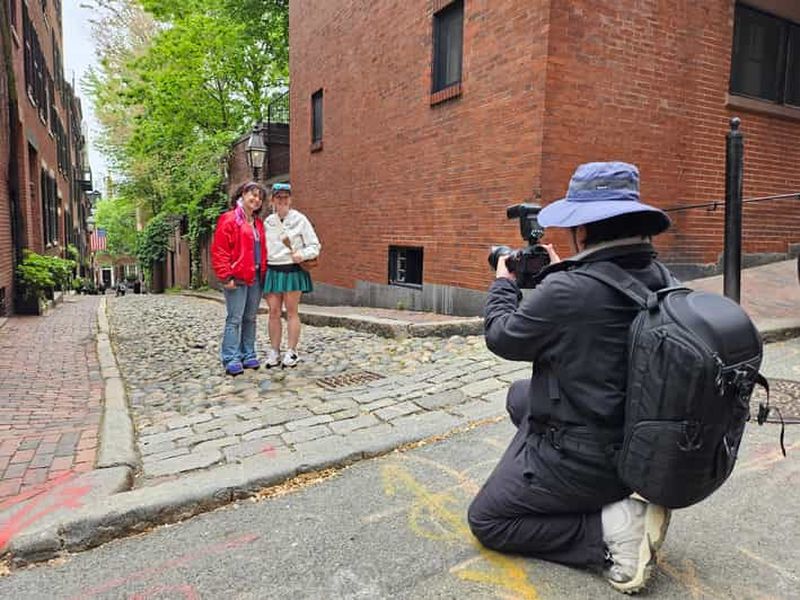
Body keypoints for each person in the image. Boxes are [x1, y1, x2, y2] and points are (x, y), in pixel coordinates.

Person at [468, 162, 675, 594]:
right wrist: (565, 274)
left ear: (584, 229)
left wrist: (503, 284)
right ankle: (536, 473)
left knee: (488, 519)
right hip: (640, 442)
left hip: (593, 458)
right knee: (519, 397)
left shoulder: (570, 290)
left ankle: (613, 530)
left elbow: (503, 337)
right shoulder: (662, 278)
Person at [211, 181, 268, 376]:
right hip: (237, 277)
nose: (256, 199)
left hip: (256, 277)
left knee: (250, 318)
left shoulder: (258, 224)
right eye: (252, 194)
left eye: (259, 197)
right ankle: (231, 357)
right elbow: (220, 250)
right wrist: (226, 276)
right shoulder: (229, 219)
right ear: (242, 195)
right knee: (234, 318)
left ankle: (248, 354)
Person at [262, 182, 321, 368]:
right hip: (273, 269)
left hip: (292, 269)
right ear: (272, 200)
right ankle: (274, 351)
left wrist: (302, 255)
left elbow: (315, 245)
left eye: (285, 197)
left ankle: (292, 351)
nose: (282, 201)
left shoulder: (300, 220)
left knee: (292, 311)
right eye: (278, 197)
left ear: (290, 199)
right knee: (273, 312)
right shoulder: (268, 222)